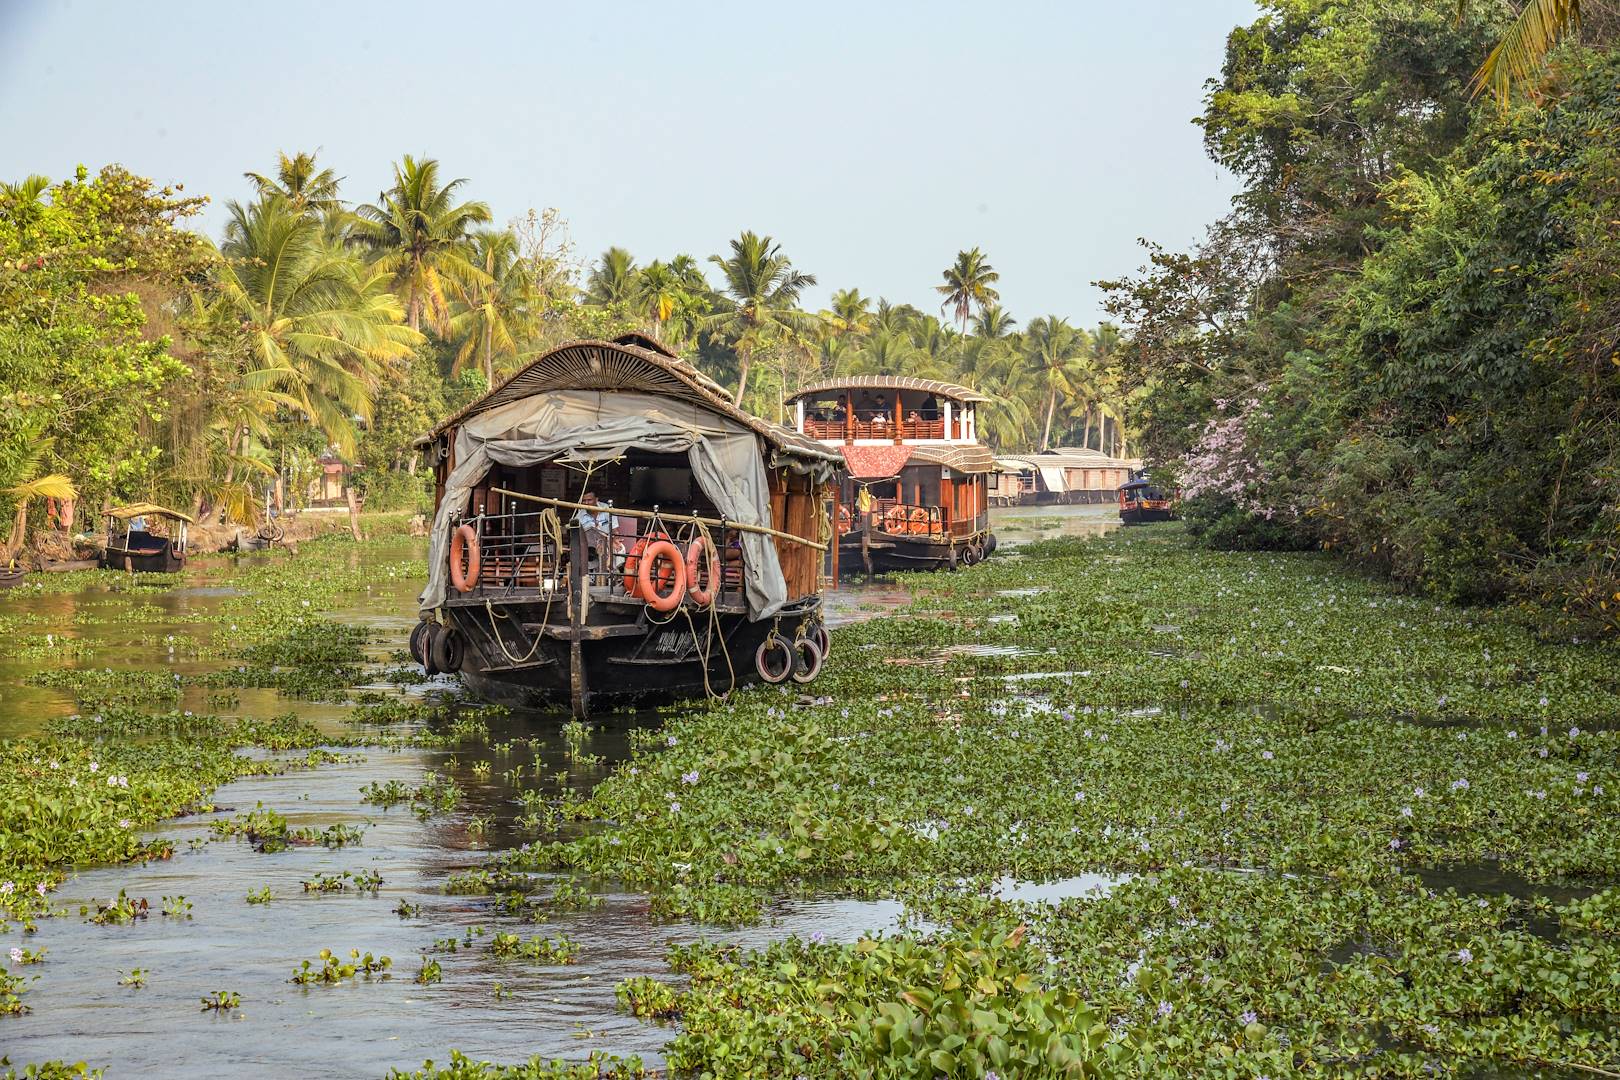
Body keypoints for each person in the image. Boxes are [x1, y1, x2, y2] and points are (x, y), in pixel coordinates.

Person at [573, 492, 616, 577]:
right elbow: (577, 536)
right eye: (584, 501)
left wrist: (614, 540)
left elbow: (615, 530)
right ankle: (586, 577)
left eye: (589, 500)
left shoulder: (607, 509)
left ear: (596, 500)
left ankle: (614, 575)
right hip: (589, 547)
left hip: (607, 542)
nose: (586, 503)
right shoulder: (579, 516)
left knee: (619, 548)